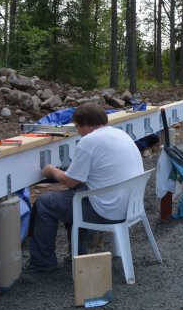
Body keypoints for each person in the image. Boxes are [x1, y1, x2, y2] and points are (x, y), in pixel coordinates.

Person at [24, 102, 144, 273]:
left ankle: (42, 262)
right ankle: (78, 254)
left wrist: (52, 171)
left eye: (77, 127)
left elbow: (71, 181)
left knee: (45, 202)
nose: (77, 132)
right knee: (74, 196)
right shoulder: (120, 134)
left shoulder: (89, 141)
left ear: (85, 124)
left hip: (107, 211)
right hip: (131, 206)